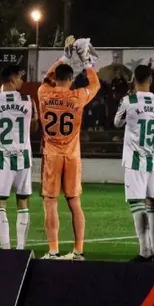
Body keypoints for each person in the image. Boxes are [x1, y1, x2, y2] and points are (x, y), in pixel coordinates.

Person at [37, 37, 99, 259]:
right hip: (72, 155)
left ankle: (53, 250)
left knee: (50, 202)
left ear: (56, 79)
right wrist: (86, 61)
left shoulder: (44, 92)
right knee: (74, 202)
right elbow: (95, 85)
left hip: (52, 155)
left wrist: (65, 55)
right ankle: (78, 251)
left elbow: (46, 77)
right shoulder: (78, 96)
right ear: (71, 79)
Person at [115, 65, 154, 262]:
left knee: (137, 204)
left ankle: (145, 251)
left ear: (133, 79)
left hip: (135, 159)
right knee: (153, 206)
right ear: (150, 80)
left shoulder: (129, 101)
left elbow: (117, 123)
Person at [0, 65, 33, 250]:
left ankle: (5, 249)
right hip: (24, 156)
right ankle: (20, 249)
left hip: (2, 157)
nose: (22, 80)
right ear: (12, 79)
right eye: (20, 77)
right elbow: (33, 123)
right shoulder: (28, 101)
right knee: (22, 201)